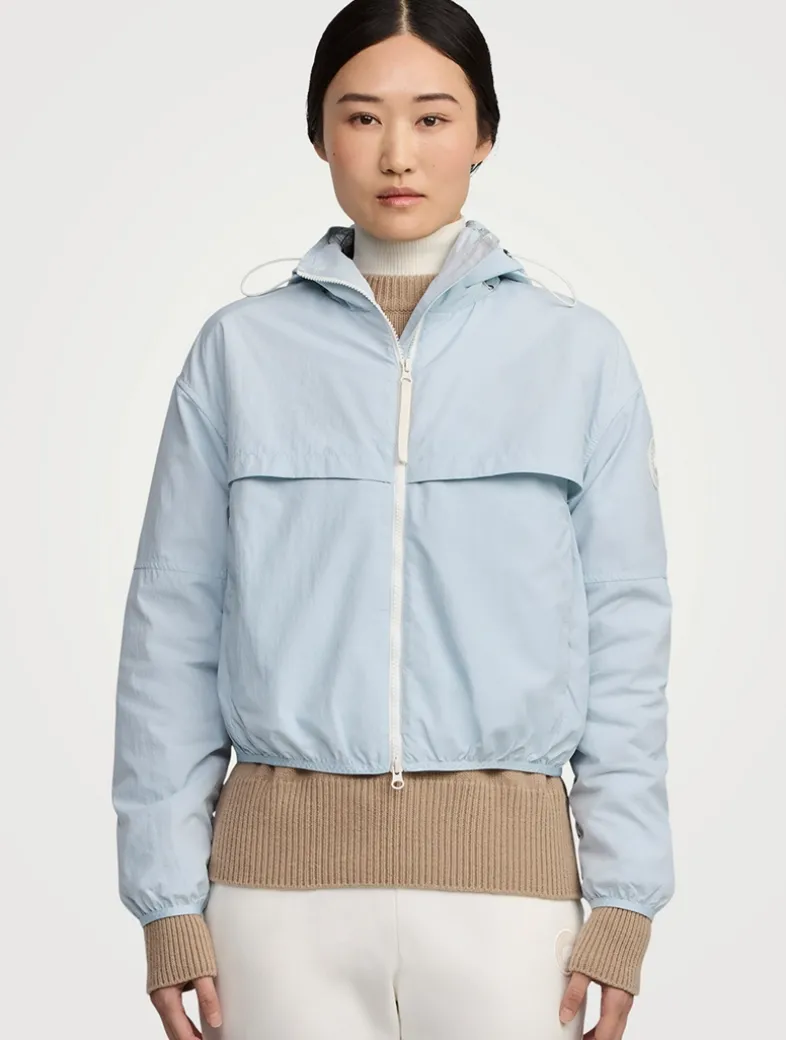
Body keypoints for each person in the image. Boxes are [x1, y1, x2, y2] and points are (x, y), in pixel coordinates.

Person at [111, 2, 674, 1038]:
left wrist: (626, 897)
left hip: (512, 912)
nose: (397, 153)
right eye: (362, 116)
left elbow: (626, 635)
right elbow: (170, 628)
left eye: (433, 117)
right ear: (320, 133)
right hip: (274, 907)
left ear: (485, 133)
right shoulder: (240, 353)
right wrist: (165, 899)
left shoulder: (577, 355)